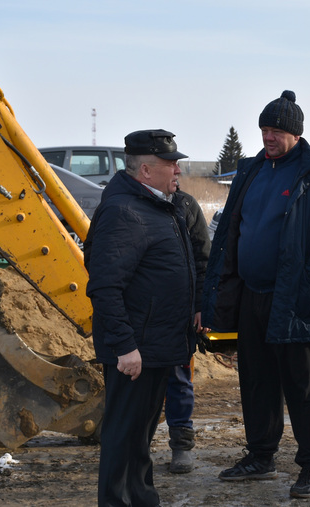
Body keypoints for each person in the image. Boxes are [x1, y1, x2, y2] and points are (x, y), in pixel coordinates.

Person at [202, 90, 310, 499]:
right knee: (257, 380)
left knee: (306, 386)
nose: (269, 137)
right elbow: (231, 230)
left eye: (277, 131)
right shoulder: (251, 171)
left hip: (297, 298)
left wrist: (309, 281)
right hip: (253, 294)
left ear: (296, 135)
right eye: (265, 130)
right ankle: (261, 455)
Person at [85, 129, 197, 507]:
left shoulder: (161, 206)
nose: (177, 169)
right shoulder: (124, 212)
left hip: (156, 345)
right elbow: (104, 287)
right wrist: (125, 346)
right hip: (135, 350)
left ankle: (142, 498)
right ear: (146, 171)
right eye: (171, 164)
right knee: (122, 436)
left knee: (140, 436)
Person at [163, 176, 212, 474]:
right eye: (171, 165)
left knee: (179, 379)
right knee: (140, 383)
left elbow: (203, 259)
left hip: (179, 310)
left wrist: (201, 306)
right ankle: (136, 445)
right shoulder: (130, 204)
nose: (177, 172)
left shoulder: (185, 206)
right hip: (142, 312)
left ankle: (181, 444)